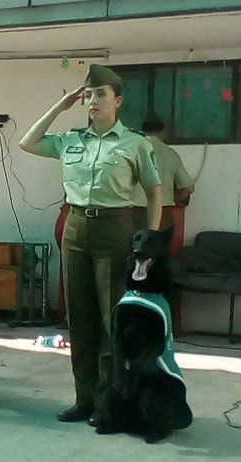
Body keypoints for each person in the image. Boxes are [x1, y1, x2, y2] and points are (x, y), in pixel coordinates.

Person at [19, 64, 162, 424]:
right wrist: (58, 107)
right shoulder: (71, 139)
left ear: (118, 101)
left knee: (110, 320)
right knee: (79, 319)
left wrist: (150, 245)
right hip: (76, 227)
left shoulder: (135, 143)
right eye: (89, 94)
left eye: (101, 94)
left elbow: (153, 191)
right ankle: (84, 397)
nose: (93, 100)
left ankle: (109, 400)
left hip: (115, 230)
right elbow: (28, 142)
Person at [131, 114, 195, 230]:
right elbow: (189, 188)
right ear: (162, 132)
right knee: (160, 247)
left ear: (142, 131)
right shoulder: (171, 154)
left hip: (135, 213)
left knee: (134, 246)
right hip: (164, 213)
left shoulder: (132, 150)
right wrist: (172, 199)